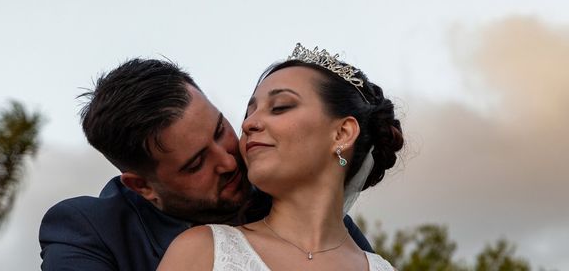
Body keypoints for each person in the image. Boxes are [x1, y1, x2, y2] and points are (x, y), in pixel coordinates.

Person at [39, 57, 373, 270]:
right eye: (196, 163)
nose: (228, 160)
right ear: (142, 187)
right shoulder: (87, 232)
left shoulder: (294, 208)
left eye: (220, 130)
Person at [158, 44, 404, 270]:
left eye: (280, 107)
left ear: (342, 133)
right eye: (249, 112)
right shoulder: (202, 251)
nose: (249, 124)